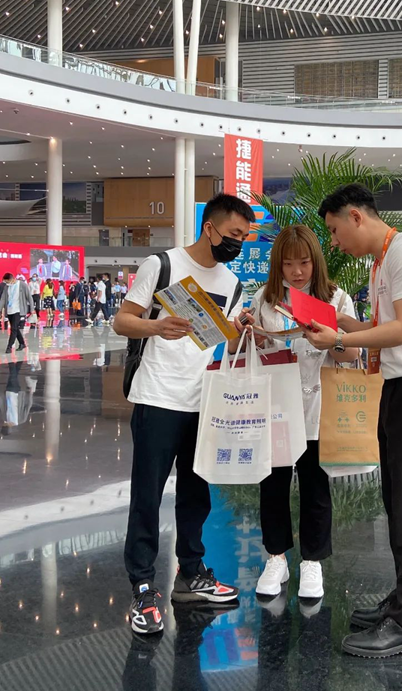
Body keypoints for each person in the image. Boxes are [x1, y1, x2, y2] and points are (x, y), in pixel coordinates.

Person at [301, 184, 402, 659]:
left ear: (356, 216)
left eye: (334, 230)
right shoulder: (382, 262)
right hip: (399, 388)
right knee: (398, 502)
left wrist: (341, 339)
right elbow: (383, 330)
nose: (333, 242)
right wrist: (338, 326)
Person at [113, 192, 256, 637]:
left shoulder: (232, 282)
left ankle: (190, 574)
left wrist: (240, 329)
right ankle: (142, 586)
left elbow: (222, 340)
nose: (238, 243)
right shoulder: (162, 265)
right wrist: (156, 326)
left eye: (244, 237)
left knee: (196, 495)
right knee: (147, 495)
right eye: (233, 234)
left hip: (203, 401)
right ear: (209, 228)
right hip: (157, 396)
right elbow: (122, 320)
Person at [250, 225, 359, 601]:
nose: (296, 271)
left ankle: (312, 561)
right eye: (288, 264)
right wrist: (251, 334)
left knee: (315, 485)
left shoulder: (336, 299)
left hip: (319, 406)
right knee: (273, 485)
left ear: (316, 261)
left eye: (304, 262)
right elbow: (251, 348)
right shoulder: (265, 299)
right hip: (277, 406)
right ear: (277, 265)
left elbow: (353, 353)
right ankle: (276, 557)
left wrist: (331, 338)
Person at [0, 273, 33, 353]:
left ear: (12, 279)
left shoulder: (22, 285)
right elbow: (3, 299)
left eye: (7, 281)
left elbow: (29, 297)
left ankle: (9, 347)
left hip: (18, 310)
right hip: (10, 310)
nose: (6, 283)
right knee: (15, 328)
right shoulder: (7, 287)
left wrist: (32, 309)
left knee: (13, 329)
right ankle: (22, 343)